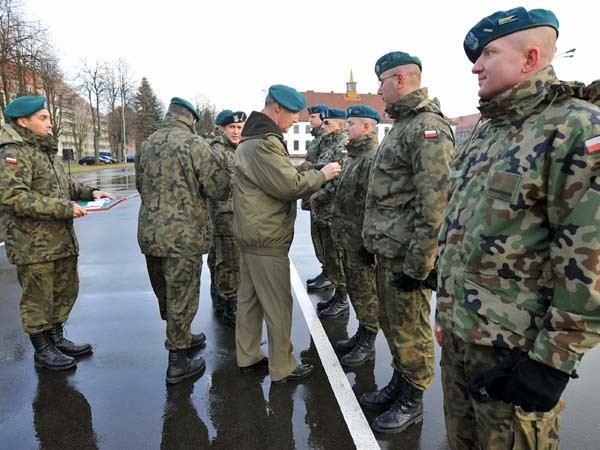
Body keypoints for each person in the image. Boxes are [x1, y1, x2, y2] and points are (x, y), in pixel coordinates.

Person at [436, 7, 600, 449]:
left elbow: (589, 258)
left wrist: (552, 362)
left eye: (488, 52)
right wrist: (446, 309)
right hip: (462, 337)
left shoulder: (575, 127)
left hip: (516, 353)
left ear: (529, 59)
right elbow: (460, 228)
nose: (475, 65)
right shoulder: (489, 130)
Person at [359, 52, 455, 433]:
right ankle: (400, 382)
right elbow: (388, 195)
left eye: (381, 82)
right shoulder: (402, 126)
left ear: (399, 80)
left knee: (410, 330)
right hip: (390, 251)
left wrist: (419, 269)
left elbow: (435, 206)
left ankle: (413, 397)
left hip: (408, 258)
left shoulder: (427, 128)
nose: (377, 91)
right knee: (394, 326)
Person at [232, 84, 341, 383]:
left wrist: (308, 166)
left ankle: (248, 354)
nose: (296, 120)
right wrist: (323, 174)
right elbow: (288, 186)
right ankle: (283, 367)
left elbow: (277, 174)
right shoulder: (266, 142)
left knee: (250, 300)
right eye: (293, 114)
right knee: (278, 305)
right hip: (266, 237)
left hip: (251, 233)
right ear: (277, 108)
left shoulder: (251, 139)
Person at [0, 95, 114, 371]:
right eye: (43, 118)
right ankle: (43, 350)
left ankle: (56, 338)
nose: (50, 124)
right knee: (38, 298)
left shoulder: (43, 150)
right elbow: (14, 197)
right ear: (23, 121)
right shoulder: (12, 152)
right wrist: (64, 208)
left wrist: (91, 192)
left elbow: (64, 184)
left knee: (62, 291)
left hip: (58, 240)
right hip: (32, 244)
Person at [136, 97, 231, 384]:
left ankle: (183, 336)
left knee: (165, 292)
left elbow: (140, 185)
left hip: (151, 233)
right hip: (184, 235)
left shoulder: (146, 144)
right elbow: (218, 188)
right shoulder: (195, 145)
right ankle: (178, 361)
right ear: (190, 118)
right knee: (183, 295)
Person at [331, 105, 380, 367]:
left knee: (366, 291)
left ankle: (369, 338)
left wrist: (370, 242)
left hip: (361, 240)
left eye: (351, 124)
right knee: (356, 289)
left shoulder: (372, 157)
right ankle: (363, 329)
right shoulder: (353, 155)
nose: (346, 128)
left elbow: (375, 203)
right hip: (348, 236)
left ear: (367, 127)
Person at [205, 110, 246, 328]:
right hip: (223, 214)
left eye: (240, 128)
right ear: (222, 128)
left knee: (221, 258)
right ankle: (229, 304)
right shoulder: (217, 151)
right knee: (229, 260)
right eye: (232, 127)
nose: (237, 131)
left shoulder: (237, 150)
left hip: (234, 212)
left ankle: (221, 298)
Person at [310, 107, 349, 318]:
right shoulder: (329, 144)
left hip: (333, 212)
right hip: (323, 212)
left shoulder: (342, 146)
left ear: (341, 125)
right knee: (329, 257)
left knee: (336, 258)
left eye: (328, 123)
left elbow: (338, 180)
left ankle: (342, 298)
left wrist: (318, 196)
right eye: (323, 123)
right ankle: (336, 293)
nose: (323, 126)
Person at [302, 103, 332, 291]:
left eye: (313, 117)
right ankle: (326, 270)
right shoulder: (318, 139)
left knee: (327, 244)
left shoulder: (327, 139)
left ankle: (330, 274)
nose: (310, 120)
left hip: (323, 198)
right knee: (318, 240)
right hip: (314, 194)